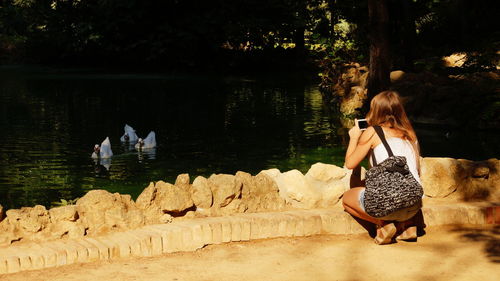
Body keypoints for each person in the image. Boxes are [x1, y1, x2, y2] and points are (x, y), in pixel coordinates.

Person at [342, 90, 422, 245]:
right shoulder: (410, 133)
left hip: (388, 205)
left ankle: (384, 225)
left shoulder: (373, 132)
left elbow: (350, 163)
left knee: (346, 199)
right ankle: (408, 226)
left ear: (375, 110)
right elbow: (417, 171)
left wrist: (354, 138)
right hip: (414, 205)